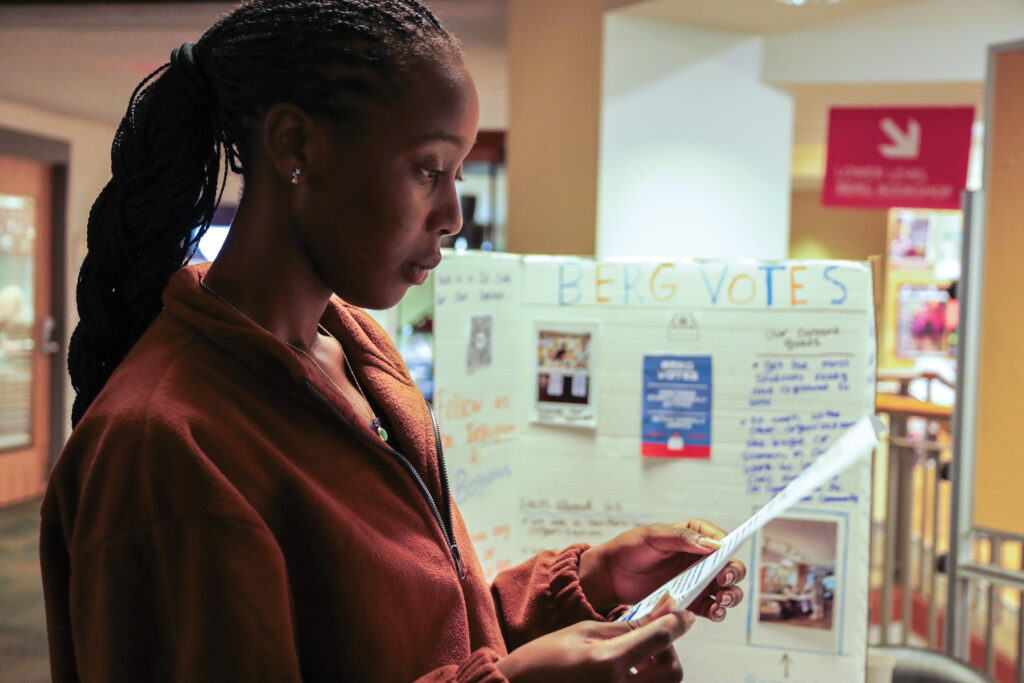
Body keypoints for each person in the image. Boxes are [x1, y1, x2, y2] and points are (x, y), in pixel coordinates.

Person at [40, 1, 745, 681]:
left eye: (460, 173)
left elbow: (428, 632)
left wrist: (589, 582)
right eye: (427, 168)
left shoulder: (355, 349)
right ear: (296, 146)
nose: (453, 215)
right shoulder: (164, 444)